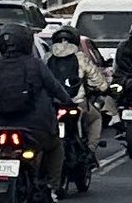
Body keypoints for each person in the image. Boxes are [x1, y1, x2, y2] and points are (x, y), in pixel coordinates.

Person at [0, 23, 74, 203]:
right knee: (55, 147)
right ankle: (51, 189)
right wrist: (68, 101)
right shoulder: (36, 65)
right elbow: (55, 88)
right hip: (36, 128)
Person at [46, 25, 113, 157]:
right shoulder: (80, 57)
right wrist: (104, 88)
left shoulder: (47, 58)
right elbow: (96, 78)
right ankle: (90, 149)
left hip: (53, 104)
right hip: (77, 102)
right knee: (96, 118)